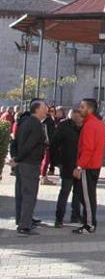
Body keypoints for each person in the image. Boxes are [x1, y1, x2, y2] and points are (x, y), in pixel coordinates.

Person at [10, 99, 48, 236]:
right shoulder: (36, 124)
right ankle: (24, 226)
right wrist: (17, 159)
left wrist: (15, 158)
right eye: (44, 107)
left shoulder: (23, 122)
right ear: (37, 109)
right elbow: (29, 145)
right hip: (29, 164)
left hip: (22, 163)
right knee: (29, 195)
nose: (47, 110)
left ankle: (22, 221)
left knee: (21, 193)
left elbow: (14, 142)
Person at [72, 98, 105, 234]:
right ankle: (89, 222)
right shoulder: (99, 123)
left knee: (87, 196)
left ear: (90, 109)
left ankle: (89, 224)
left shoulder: (90, 125)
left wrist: (79, 166)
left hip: (88, 165)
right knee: (88, 195)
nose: (80, 109)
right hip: (94, 164)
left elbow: (88, 148)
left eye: (82, 107)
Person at [50, 109, 82, 228]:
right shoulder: (64, 126)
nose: (78, 119)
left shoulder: (83, 127)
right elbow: (54, 144)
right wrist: (57, 163)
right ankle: (59, 218)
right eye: (76, 117)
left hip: (79, 165)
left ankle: (75, 215)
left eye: (79, 117)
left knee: (77, 192)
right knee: (65, 191)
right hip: (67, 164)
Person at [40, 105, 57, 185]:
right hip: (47, 143)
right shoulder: (48, 120)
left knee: (45, 160)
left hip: (45, 143)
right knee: (46, 160)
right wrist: (48, 143)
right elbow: (48, 132)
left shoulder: (46, 120)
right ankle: (43, 177)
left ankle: (43, 176)